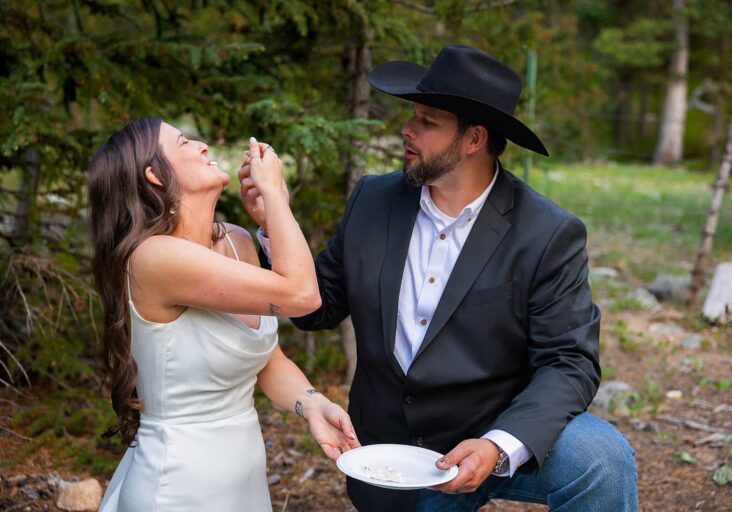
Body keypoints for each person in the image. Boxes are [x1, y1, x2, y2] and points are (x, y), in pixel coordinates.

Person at [243, 45, 638, 512]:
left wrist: (498, 445)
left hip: (495, 427)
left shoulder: (546, 233)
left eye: (427, 121)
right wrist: (274, 223)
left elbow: (570, 362)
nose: (407, 129)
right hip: (392, 452)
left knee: (602, 459)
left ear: (474, 139)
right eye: (412, 115)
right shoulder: (373, 200)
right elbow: (316, 307)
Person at [88, 116, 359, 512]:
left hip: (244, 480)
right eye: (183, 142)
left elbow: (267, 359)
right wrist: (276, 199)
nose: (202, 145)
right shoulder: (153, 257)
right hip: (177, 486)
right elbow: (303, 295)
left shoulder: (236, 240)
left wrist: (313, 403)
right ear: (154, 175)